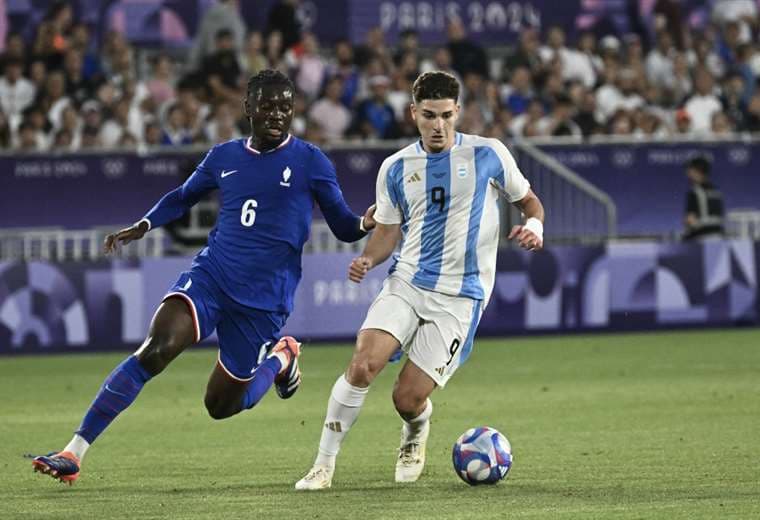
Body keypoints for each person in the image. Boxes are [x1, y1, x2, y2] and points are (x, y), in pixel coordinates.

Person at [32, 69, 376, 484]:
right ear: (248, 108)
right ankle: (75, 451)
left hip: (264, 301)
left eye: (286, 107)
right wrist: (143, 225)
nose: (277, 114)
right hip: (212, 277)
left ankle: (282, 357)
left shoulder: (310, 161)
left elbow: (341, 226)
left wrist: (365, 222)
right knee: (156, 349)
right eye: (267, 105)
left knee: (221, 405)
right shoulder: (224, 157)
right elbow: (182, 198)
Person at [295, 71, 545, 490]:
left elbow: (528, 201)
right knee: (362, 364)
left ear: (458, 112)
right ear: (414, 114)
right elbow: (387, 232)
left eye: (446, 115)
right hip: (408, 282)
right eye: (429, 116)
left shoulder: (489, 154)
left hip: (461, 297)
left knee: (406, 398)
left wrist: (535, 225)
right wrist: (368, 259)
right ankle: (323, 465)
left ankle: (416, 430)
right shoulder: (395, 167)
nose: (438, 125)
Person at [683, 156, 725, 240]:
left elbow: (691, 220)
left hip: (701, 240)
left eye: (689, 170)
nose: (687, 173)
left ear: (697, 171)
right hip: (719, 238)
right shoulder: (717, 192)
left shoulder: (694, 192)